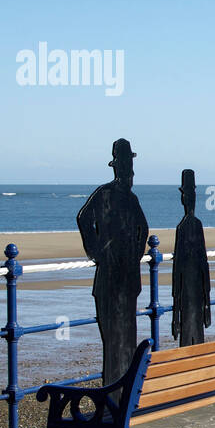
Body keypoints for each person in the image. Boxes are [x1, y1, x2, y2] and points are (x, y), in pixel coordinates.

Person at [76, 139, 149, 385]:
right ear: (119, 166)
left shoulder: (130, 198)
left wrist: (133, 255)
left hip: (124, 281)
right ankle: (117, 394)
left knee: (123, 341)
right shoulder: (107, 194)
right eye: (128, 165)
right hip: (114, 280)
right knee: (116, 342)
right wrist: (97, 252)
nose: (131, 171)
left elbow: (143, 230)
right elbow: (84, 219)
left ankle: (119, 394)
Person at [172, 169, 211, 346]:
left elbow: (177, 272)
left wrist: (175, 315)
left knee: (190, 336)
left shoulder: (186, 227)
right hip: (194, 294)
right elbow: (204, 266)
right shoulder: (194, 225)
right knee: (193, 335)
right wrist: (207, 305)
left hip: (190, 294)